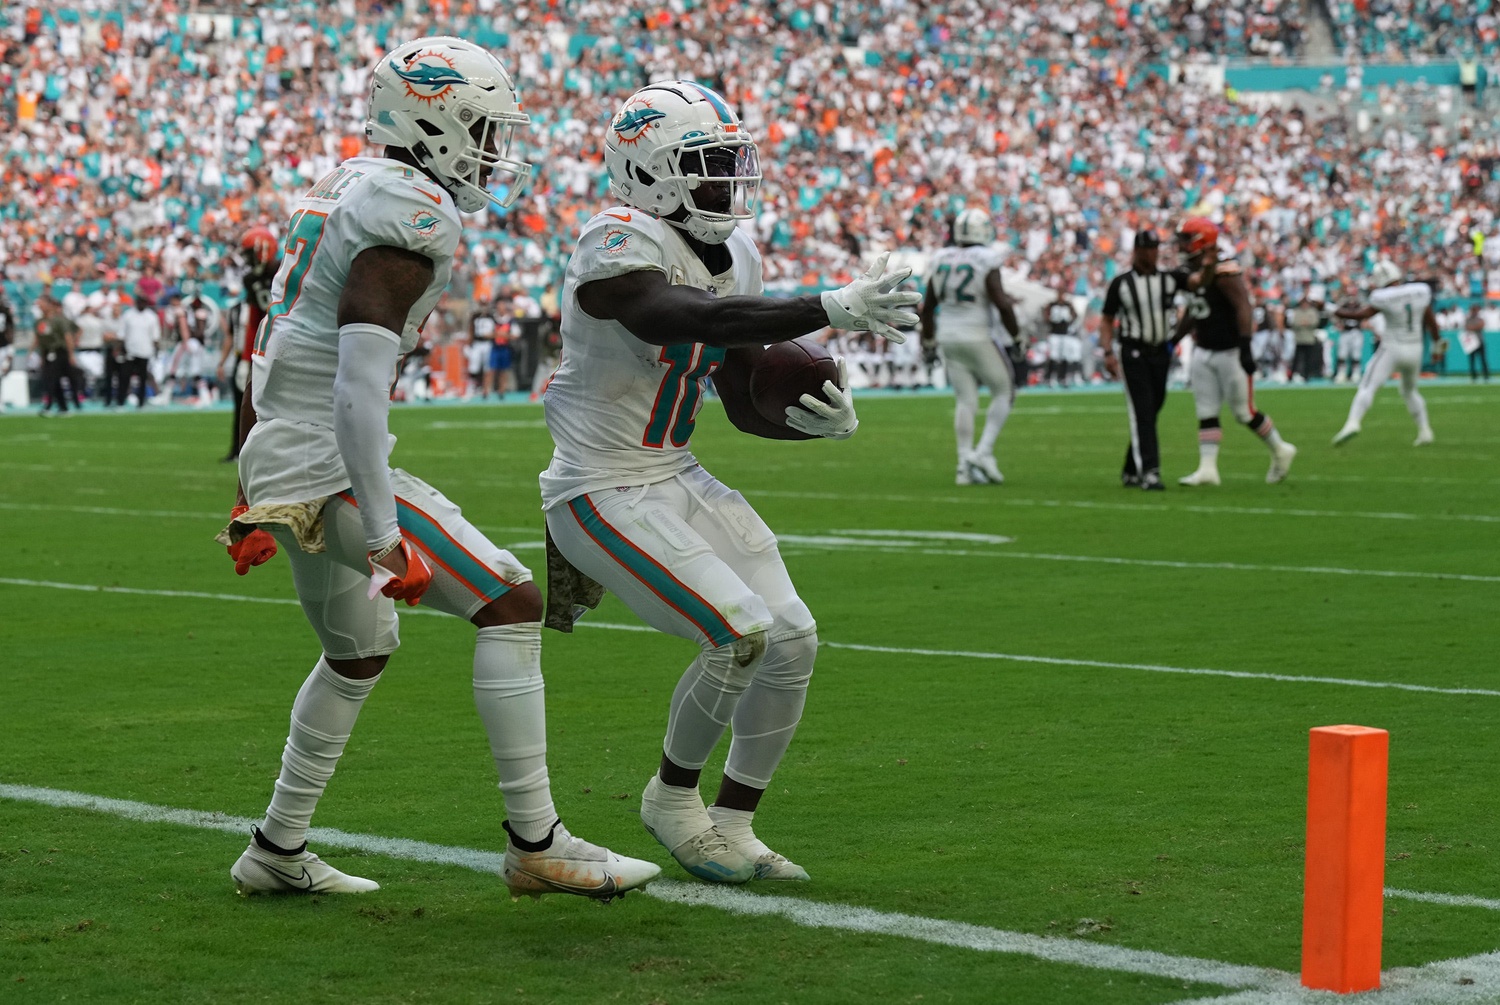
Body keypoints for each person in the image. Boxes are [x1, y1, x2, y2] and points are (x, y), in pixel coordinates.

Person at [223, 36, 658, 901]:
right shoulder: (407, 211)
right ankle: (537, 840)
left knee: (357, 652)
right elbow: (354, 384)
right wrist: (382, 530)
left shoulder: (352, 180)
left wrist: (251, 474)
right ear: (431, 123)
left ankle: (275, 848)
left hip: (283, 448)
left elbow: (279, 346)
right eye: (481, 129)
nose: (495, 150)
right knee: (511, 598)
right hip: (323, 460)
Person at [541, 81, 918, 884]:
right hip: (598, 486)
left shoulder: (736, 251)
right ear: (647, 169)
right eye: (706, 165)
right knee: (738, 630)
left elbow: (744, 400)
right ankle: (672, 800)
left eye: (729, 163)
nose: (725, 182)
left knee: (792, 638)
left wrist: (818, 417)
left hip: (674, 472)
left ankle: (736, 820)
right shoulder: (613, 240)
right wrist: (827, 306)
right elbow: (686, 318)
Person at [1174, 217, 1297, 486]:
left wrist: (1245, 346)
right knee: (1206, 410)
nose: (1180, 244)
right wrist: (1174, 340)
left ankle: (1280, 449)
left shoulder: (1224, 269)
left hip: (1230, 350)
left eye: (1186, 238)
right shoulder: (1191, 270)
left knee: (1243, 412)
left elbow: (1244, 307)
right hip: (1203, 348)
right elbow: (1194, 310)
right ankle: (1207, 469)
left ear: (1201, 241)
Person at [918, 208, 1020, 485]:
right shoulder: (986, 258)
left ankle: (964, 465)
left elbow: (927, 308)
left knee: (965, 400)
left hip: (948, 336)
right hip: (976, 333)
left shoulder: (940, 257)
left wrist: (927, 342)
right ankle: (983, 452)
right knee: (1004, 391)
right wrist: (1018, 336)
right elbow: (1000, 302)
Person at [1099, 230, 1185, 491]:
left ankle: (1130, 469)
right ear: (1137, 251)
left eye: (1156, 247)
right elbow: (1106, 320)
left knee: (1151, 409)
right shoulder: (1121, 284)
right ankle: (1150, 471)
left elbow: (1196, 282)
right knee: (1143, 411)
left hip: (1160, 352)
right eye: (1148, 248)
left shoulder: (1169, 280)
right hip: (1133, 352)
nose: (1153, 253)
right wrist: (1108, 352)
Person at [1332, 262, 1436, 447]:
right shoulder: (1419, 291)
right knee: (1409, 391)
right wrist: (1437, 346)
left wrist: (1333, 310)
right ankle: (1425, 430)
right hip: (1415, 348)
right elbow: (1431, 322)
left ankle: (1352, 423)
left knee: (1367, 386)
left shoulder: (1383, 296)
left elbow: (1360, 315)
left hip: (1393, 348)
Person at [218, 226, 281, 460]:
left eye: (249, 253)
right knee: (245, 402)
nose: (247, 259)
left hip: (288, 342)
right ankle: (240, 450)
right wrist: (247, 357)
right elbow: (254, 318)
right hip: (264, 345)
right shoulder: (251, 279)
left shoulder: (284, 270)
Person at [34, 296, 79, 415]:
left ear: (49, 304)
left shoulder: (58, 320)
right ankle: (63, 407)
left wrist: (71, 354)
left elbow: (68, 337)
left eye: (42, 303)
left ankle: (49, 405)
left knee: (53, 379)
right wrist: (41, 356)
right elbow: (41, 340)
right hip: (48, 353)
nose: (40, 306)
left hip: (59, 352)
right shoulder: (39, 322)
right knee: (53, 380)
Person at [115, 291, 160, 408]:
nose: (142, 304)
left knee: (143, 378)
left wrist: (156, 351)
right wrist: (119, 349)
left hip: (145, 352)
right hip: (130, 351)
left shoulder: (151, 316)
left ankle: (141, 402)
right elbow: (121, 334)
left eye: (144, 302)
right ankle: (121, 402)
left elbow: (155, 336)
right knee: (124, 377)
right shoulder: (128, 315)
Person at [1044, 292, 1080, 386]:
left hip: (1065, 334)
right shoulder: (1052, 304)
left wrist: (1070, 320)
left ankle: (1063, 377)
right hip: (1054, 333)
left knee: (1065, 356)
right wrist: (1050, 321)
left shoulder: (1068, 305)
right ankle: (1051, 377)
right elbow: (1046, 315)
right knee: (1053, 356)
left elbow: (1075, 315)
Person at [1462, 303, 1492, 382]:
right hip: (1472, 343)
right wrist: (1473, 328)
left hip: (1480, 341)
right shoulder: (1468, 319)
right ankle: (1474, 376)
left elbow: (1481, 325)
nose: (1474, 312)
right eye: (1473, 310)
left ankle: (1486, 375)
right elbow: (1466, 327)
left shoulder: (1480, 318)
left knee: (1483, 360)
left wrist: (1472, 328)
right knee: (1472, 360)